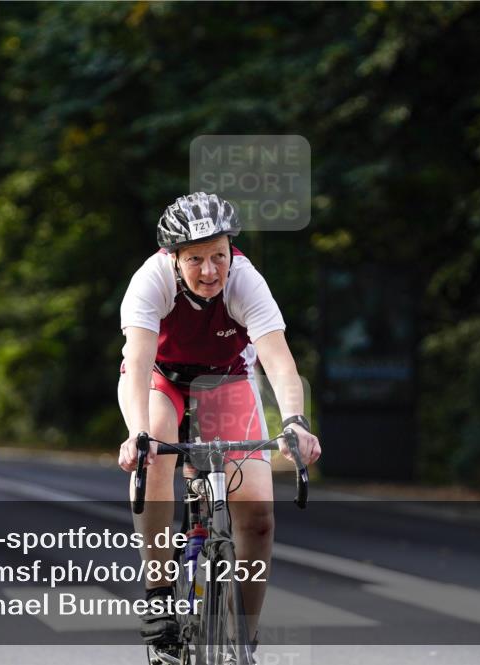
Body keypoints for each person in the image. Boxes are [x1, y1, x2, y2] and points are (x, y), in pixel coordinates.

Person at [117, 192, 321, 664]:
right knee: (156, 454)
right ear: (173, 258)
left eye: (219, 257)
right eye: (195, 260)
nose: (209, 271)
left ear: (232, 252)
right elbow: (137, 362)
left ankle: (244, 641)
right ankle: (160, 592)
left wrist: (294, 421)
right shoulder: (150, 282)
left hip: (224, 379)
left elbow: (279, 363)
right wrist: (137, 432)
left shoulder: (246, 282)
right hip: (162, 377)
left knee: (259, 514)